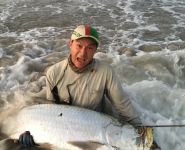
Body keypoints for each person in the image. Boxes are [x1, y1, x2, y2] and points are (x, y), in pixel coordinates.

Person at [18, 25, 160, 149]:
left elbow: (123, 106)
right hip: (67, 128)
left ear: (95, 50)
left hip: (98, 128)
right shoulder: (54, 73)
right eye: (79, 46)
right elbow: (51, 111)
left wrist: (142, 134)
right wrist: (28, 134)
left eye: (90, 48)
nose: (83, 53)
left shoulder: (106, 72)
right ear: (70, 44)